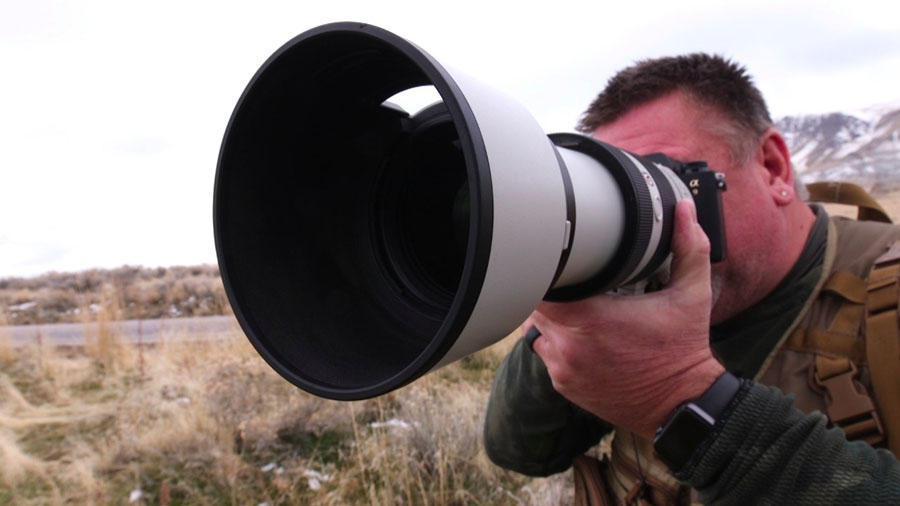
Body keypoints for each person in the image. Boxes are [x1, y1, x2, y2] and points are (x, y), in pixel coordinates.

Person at [484, 53, 900, 504]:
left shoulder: (885, 294)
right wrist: (567, 288)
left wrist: (681, 396)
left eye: (666, 182)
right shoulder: (632, 293)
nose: (645, 223)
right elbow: (521, 451)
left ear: (772, 167)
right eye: (620, 194)